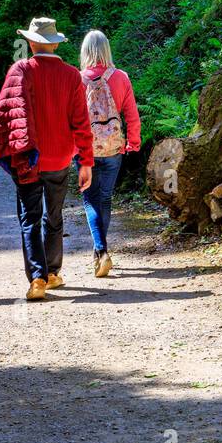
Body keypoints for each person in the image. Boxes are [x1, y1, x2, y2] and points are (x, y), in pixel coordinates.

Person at [0, 17, 94, 302]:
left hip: (28, 158)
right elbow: (81, 122)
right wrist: (86, 161)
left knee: (30, 218)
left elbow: (4, 116)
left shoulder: (21, 70)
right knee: (54, 215)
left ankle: (37, 279)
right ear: (55, 43)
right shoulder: (71, 75)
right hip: (59, 158)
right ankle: (53, 272)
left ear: (32, 42)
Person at [79, 30, 141, 278]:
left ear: (85, 51)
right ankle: (100, 250)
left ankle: (101, 251)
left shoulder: (78, 79)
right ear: (107, 50)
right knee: (104, 199)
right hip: (114, 147)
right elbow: (132, 114)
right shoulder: (121, 78)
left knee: (90, 200)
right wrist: (133, 142)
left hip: (86, 150)